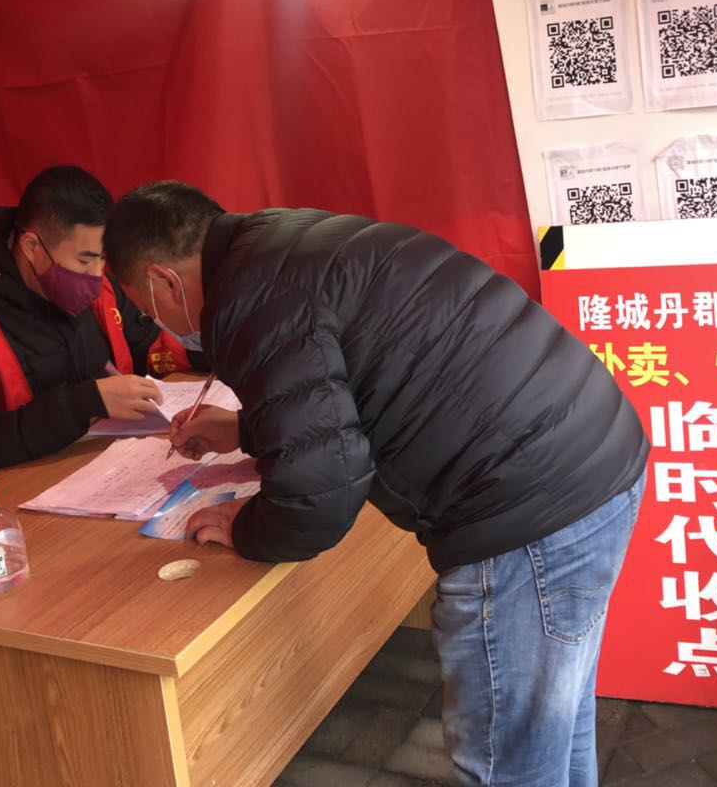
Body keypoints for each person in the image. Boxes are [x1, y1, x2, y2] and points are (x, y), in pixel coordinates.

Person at [104, 180, 650, 787]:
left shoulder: (249, 298)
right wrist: (244, 428)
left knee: (510, 762)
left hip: (528, 512)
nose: (158, 324)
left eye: (147, 309)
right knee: (552, 726)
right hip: (589, 453)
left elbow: (320, 489)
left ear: (164, 281)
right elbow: (355, 378)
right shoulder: (280, 242)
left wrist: (247, 527)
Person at [0, 166, 164, 502]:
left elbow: (149, 344)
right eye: (85, 261)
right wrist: (83, 404)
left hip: (90, 469)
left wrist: (202, 344)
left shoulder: (90, 287)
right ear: (30, 246)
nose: (97, 275)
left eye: (103, 259)